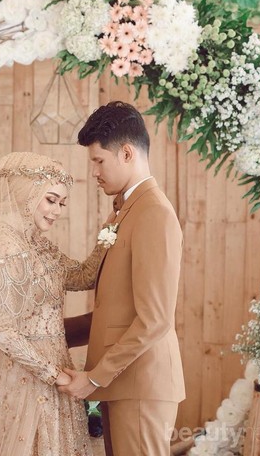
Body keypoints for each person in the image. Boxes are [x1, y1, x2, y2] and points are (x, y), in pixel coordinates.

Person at [58, 101, 186, 455]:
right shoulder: (124, 212)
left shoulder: (154, 213)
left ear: (127, 153)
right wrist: (44, 334)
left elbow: (155, 319)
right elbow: (113, 314)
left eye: (99, 161)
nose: (94, 172)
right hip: (122, 384)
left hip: (141, 385)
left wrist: (95, 377)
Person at [0, 152, 104, 456]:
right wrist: (53, 373)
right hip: (25, 375)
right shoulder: (4, 245)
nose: (57, 211)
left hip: (55, 367)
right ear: (27, 192)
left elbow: (81, 276)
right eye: (51, 200)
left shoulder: (35, 242)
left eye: (62, 203)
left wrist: (110, 233)